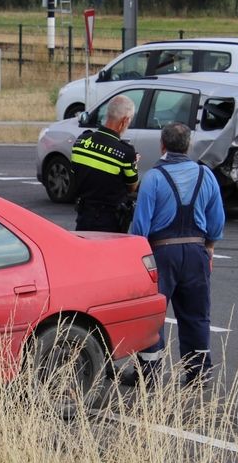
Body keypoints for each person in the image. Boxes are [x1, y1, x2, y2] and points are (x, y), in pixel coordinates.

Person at [123, 122, 225, 389]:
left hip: (161, 253)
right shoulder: (206, 175)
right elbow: (216, 221)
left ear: (162, 145)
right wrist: (210, 247)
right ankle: (198, 375)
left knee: (153, 315)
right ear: (189, 145)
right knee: (196, 316)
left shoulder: (154, 178)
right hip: (196, 252)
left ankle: (148, 375)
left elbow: (140, 226)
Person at [69, 95, 139, 232]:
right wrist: (134, 163)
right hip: (110, 222)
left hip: (83, 217)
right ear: (124, 121)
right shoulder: (125, 152)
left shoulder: (81, 142)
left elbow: (75, 174)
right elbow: (132, 187)